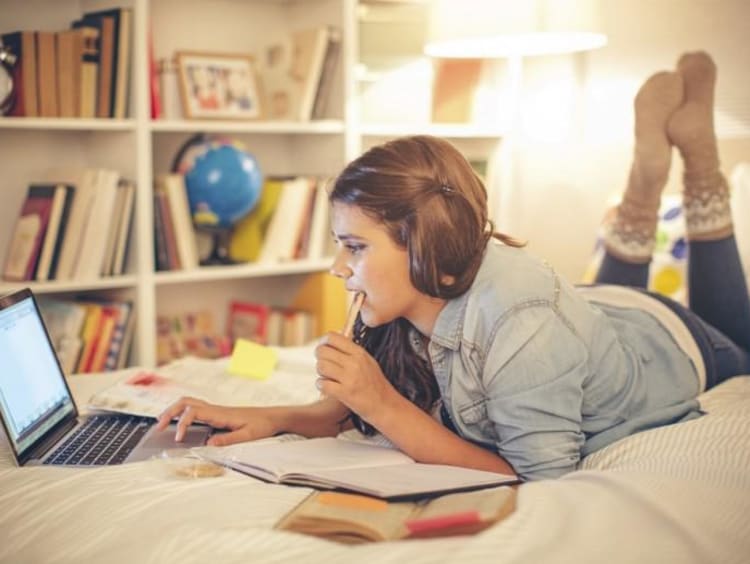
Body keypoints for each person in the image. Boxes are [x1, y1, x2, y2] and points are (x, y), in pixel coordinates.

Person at [157, 51, 750, 481]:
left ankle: (699, 171)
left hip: (674, 338)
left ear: (420, 244)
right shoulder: (407, 299)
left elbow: (538, 476)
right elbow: (342, 412)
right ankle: (641, 192)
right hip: (591, 318)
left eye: (355, 247)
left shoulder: (523, 324)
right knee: (586, 326)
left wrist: (384, 405)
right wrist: (257, 417)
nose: (339, 268)